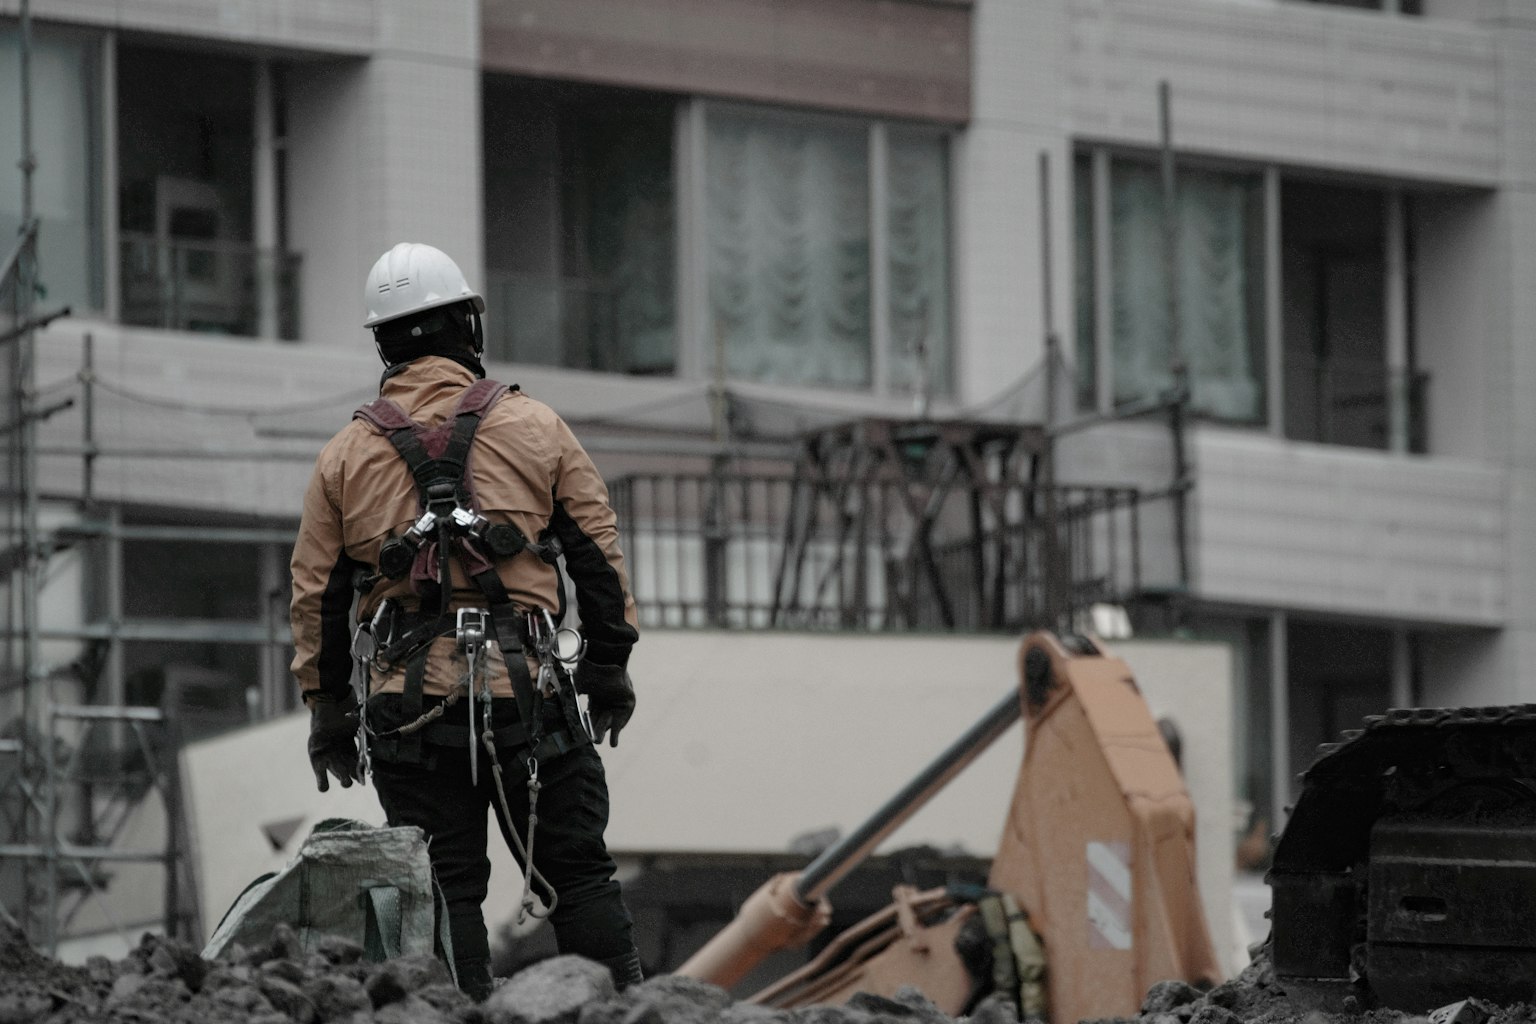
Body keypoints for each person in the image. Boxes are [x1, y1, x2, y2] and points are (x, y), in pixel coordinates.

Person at [289, 242, 643, 998]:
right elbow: (598, 559)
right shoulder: (539, 428)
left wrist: (328, 714)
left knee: (446, 886)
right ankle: (629, 1015)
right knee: (577, 876)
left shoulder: (344, 456)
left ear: (382, 343)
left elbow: (315, 595)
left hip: (408, 714)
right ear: (467, 326)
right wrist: (609, 668)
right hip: (532, 699)